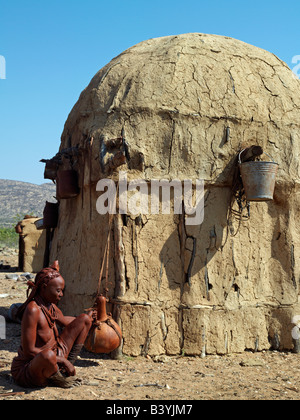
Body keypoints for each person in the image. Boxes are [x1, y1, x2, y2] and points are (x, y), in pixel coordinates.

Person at [11, 261, 95, 388]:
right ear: (44, 287)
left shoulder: (51, 306)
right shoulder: (33, 310)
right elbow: (29, 351)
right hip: (33, 365)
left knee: (84, 319)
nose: (61, 295)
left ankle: (61, 372)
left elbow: (65, 321)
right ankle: (57, 377)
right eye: (58, 291)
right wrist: (61, 360)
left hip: (55, 355)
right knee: (48, 354)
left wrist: (88, 318)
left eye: (62, 291)